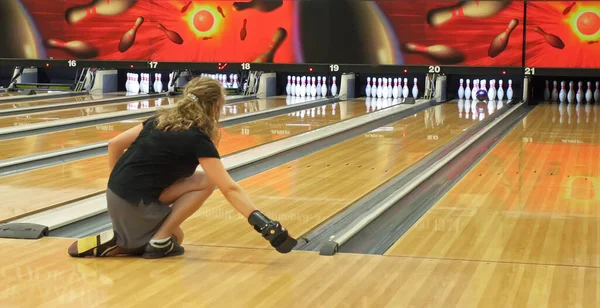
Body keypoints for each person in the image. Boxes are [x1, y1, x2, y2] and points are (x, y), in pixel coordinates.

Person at [68, 77, 296, 259]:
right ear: (215, 106)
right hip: (137, 204)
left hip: (116, 195)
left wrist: (117, 182)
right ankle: (133, 244)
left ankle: (132, 238)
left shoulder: (158, 120)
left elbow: (114, 144)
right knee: (177, 231)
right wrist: (263, 223)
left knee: (181, 228)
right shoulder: (198, 137)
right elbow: (228, 188)